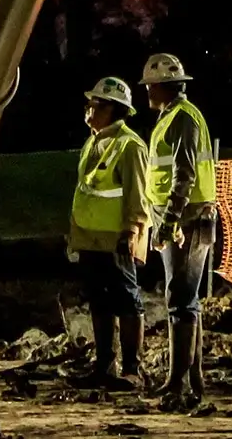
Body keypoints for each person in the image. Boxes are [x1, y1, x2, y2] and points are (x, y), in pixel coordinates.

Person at [142, 52, 216, 406]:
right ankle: (192, 378)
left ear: (163, 87)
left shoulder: (181, 119)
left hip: (186, 219)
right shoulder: (176, 116)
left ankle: (178, 381)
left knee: (180, 300)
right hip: (190, 217)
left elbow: (183, 175)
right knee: (188, 300)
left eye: (151, 87)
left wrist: (169, 221)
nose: (147, 93)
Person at [67, 77, 150, 388]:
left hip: (117, 239)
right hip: (91, 239)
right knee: (100, 303)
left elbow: (137, 196)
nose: (89, 108)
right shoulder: (94, 141)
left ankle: (132, 370)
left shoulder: (129, 146)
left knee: (127, 302)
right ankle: (105, 367)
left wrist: (130, 233)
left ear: (112, 108)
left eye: (95, 103)